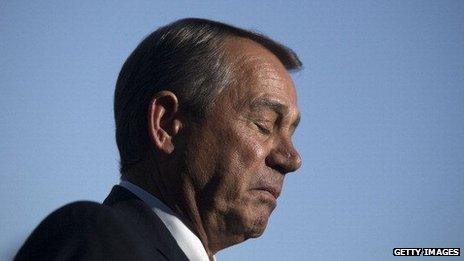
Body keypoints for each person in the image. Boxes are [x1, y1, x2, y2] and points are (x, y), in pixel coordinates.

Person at [15, 18, 302, 261]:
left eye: (291, 131)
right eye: (264, 125)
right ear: (166, 124)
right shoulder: (94, 239)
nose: (292, 159)